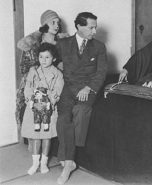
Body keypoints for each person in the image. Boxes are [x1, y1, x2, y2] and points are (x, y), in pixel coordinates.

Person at [55, 12, 108, 184]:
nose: (94, 31)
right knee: (63, 117)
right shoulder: (63, 44)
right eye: (91, 27)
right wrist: (58, 65)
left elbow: (101, 72)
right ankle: (69, 162)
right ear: (79, 26)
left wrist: (89, 88)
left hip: (89, 89)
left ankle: (67, 161)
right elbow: (55, 61)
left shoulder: (99, 47)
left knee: (81, 110)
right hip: (69, 88)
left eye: (95, 27)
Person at [16, 10, 68, 150]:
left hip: (57, 80)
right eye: (53, 22)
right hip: (36, 82)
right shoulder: (34, 43)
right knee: (32, 105)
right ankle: (33, 141)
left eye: (58, 22)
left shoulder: (63, 42)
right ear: (45, 24)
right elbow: (24, 68)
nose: (57, 25)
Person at [21, 43, 64, 175]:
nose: (43, 60)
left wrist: (50, 99)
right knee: (35, 137)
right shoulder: (33, 71)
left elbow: (58, 90)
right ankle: (35, 163)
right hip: (34, 108)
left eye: (47, 57)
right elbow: (28, 86)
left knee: (46, 137)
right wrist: (29, 99)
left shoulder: (57, 74)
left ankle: (44, 163)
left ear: (54, 59)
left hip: (48, 109)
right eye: (41, 57)